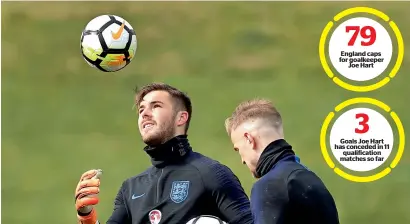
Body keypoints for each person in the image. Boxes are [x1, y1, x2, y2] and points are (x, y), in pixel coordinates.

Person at [74, 83, 253, 224]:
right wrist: (87, 217)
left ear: (181, 118)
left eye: (156, 106)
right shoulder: (130, 189)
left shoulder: (212, 174)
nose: (145, 114)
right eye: (141, 109)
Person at [224, 98, 340, 224]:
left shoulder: (271, 186)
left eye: (238, 149)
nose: (242, 160)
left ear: (249, 139)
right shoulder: (310, 179)